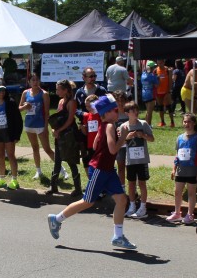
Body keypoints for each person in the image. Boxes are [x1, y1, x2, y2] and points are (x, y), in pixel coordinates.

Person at [46, 95, 137, 250]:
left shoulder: (105, 125)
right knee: (87, 201)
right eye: (115, 110)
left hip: (108, 170)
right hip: (100, 169)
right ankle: (57, 219)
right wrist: (123, 137)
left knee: (121, 200)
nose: (118, 111)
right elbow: (113, 149)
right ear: (106, 112)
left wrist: (117, 138)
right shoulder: (109, 126)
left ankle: (118, 236)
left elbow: (95, 145)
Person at [166, 112, 197, 225]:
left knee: (191, 193)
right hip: (181, 170)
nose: (186, 124)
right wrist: (174, 168)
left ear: (194, 123)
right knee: (177, 192)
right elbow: (177, 154)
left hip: (193, 171)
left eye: (189, 122)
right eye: (184, 121)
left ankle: (190, 214)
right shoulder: (179, 138)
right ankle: (177, 213)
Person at [47, 79, 83, 196]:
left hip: (69, 135)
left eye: (58, 89)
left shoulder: (71, 102)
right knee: (57, 160)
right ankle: (53, 186)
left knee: (71, 160)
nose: (56, 91)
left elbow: (70, 120)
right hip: (60, 134)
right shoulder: (61, 101)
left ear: (65, 90)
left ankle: (77, 188)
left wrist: (59, 130)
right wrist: (54, 129)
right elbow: (57, 117)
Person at [119, 101, 154, 219]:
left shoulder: (143, 124)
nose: (136, 112)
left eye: (136, 110)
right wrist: (126, 138)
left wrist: (143, 135)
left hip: (142, 160)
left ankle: (143, 207)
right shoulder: (124, 127)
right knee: (131, 183)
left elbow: (152, 139)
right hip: (130, 160)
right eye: (133, 111)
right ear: (127, 113)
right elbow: (120, 144)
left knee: (142, 183)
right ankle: (132, 206)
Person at [19, 73, 54, 179]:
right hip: (29, 124)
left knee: (47, 149)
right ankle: (38, 171)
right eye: (33, 80)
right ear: (29, 82)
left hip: (40, 124)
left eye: (37, 80)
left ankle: (61, 169)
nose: (35, 82)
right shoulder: (25, 93)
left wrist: (46, 127)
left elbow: (47, 112)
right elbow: (19, 108)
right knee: (35, 148)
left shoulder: (44, 94)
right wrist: (25, 107)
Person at [154, 59, 175, 128]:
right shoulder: (155, 70)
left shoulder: (167, 70)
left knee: (169, 106)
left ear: (163, 62)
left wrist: (169, 91)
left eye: (161, 63)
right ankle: (162, 122)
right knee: (160, 107)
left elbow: (170, 81)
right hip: (158, 92)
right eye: (158, 63)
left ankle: (172, 122)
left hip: (166, 91)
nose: (160, 64)